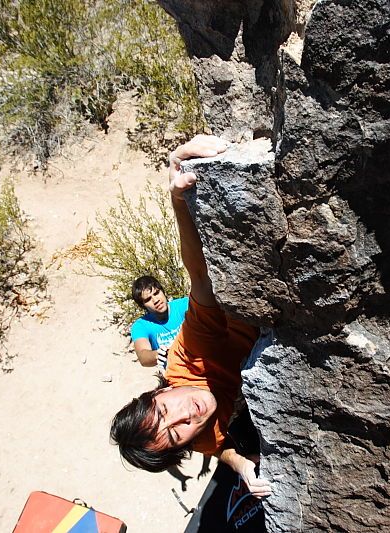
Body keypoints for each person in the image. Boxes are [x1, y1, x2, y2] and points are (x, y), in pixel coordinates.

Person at [111, 135, 272, 499]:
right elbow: (214, 446)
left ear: (161, 391)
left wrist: (178, 198)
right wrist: (242, 463)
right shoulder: (196, 435)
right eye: (174, 434)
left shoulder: (194, 350)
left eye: (166, 408)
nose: (186, 415)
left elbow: (200, 276)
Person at [130, 276, 188, 369]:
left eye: (157, 293)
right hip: (175, 374)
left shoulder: (184, 305)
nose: (156, 300)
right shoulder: (141, 326)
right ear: (143, 306)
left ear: (163, 291)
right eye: (148, 299)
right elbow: (143, 356)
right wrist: (159, 354)